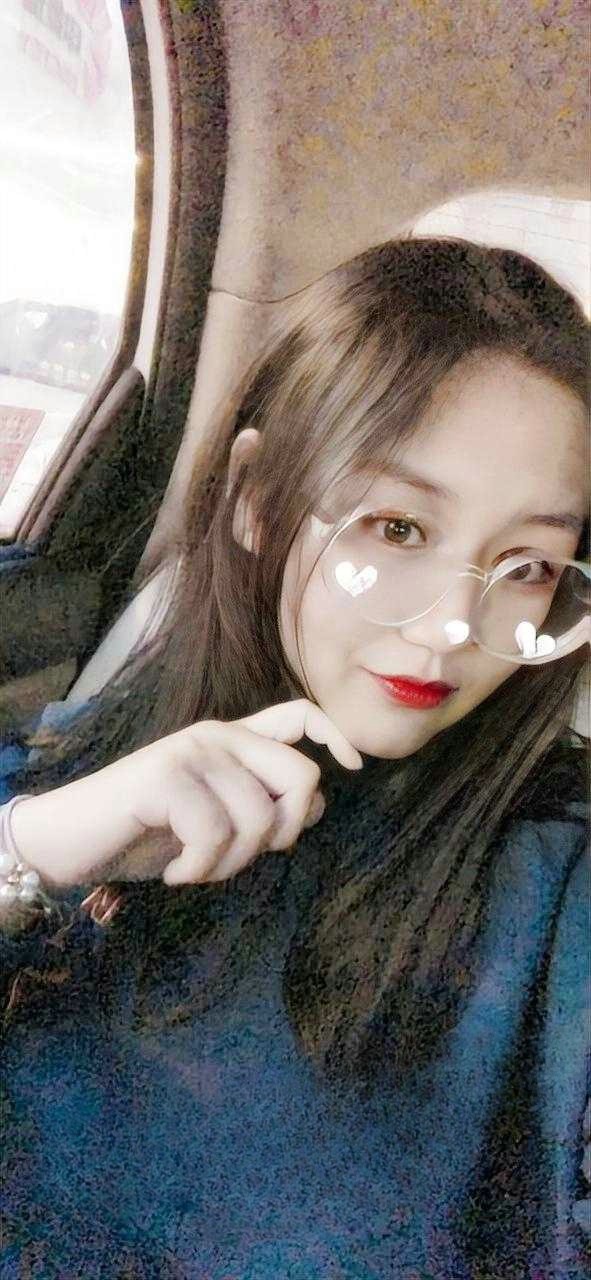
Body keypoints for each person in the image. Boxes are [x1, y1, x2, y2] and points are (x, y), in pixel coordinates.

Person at [0, 236, 589, 1279]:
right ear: (257, 496)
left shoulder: (555, 881)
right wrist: (33, 854)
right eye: (396, 527)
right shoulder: (87, 755)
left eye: (527, 565)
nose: (451, 628)